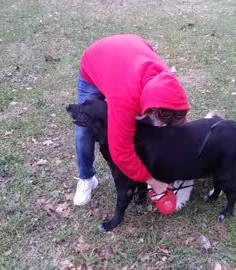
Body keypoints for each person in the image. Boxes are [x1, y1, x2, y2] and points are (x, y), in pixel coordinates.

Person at [72, 34, 190, 206]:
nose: (162, 125)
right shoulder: (125, 98)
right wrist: (153, 181)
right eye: (160, 120)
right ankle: (87, 178)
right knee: (84, 131)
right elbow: (121, 152)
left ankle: (145, 172)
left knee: (147, 130)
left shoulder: (169, 86)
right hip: (96, 61)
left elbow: (180, 130)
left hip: (132, 50)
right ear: (151, 109)